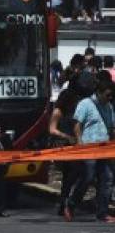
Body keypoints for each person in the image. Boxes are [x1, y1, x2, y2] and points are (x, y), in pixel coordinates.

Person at [64, 78, 115, 222]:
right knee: (87, 178)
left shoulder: (109, 107)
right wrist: (80, 144)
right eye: (107, 95)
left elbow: (111, 128)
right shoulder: (85, 104)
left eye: (111, 95)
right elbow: (77, 125)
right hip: (89, 149)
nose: (109, 98)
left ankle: (103, 212)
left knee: (107, 179)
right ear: (98, 92)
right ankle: (71, 205)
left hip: (105, 150)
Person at [48, 89, 80, 216]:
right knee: (69, 174)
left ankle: (63, 202)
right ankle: (64, 202)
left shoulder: (72, 112)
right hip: (62, 146)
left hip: (72, 146)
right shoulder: (58, 112)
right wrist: (66, 136)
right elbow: (52, 129)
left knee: (70, 176)